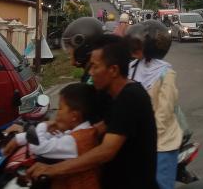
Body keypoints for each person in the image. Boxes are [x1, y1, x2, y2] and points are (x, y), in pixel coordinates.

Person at [28, 36, 158, 189]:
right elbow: (93, 132)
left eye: (95, 67)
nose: (90, 72)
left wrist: (52, 170)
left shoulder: (130, 97)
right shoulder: (113, 96)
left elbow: (106, 151)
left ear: (113, 70)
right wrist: (57, 127)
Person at [5, 83, 101, 189]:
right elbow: (53, 138)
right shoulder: (82, 132)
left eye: (60, 108)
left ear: (74, 116)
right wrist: (19, 138)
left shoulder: (76, 140)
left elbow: (39, 146)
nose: (57, 113)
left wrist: (43, 125)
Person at [127, 21, 183, 189]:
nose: (133, 47)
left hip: (161, 144)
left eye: (138, 44)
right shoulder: (132, 67)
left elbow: (163, 115)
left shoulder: (166, 73)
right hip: (138, 143)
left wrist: (144, 139)